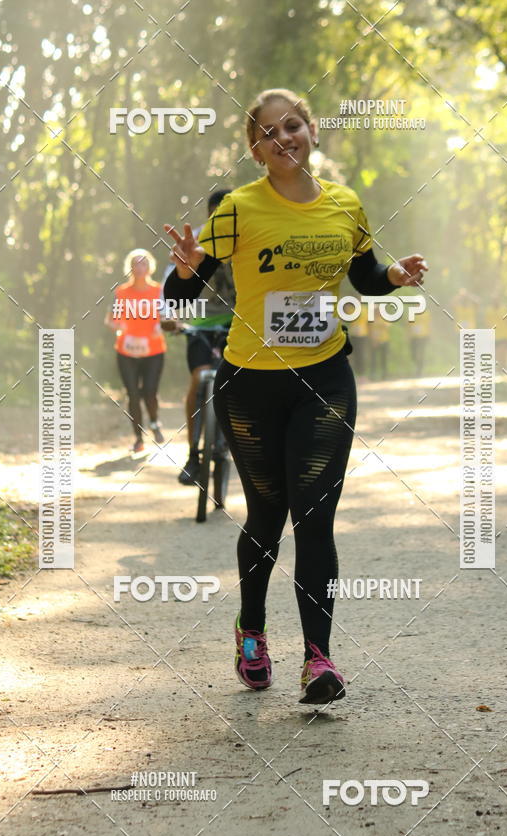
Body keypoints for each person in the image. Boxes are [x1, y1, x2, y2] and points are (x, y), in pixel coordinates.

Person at [163, 88, 427, 703]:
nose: (283, 138)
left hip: (326, 380)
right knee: (266, 515)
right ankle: (251, 631)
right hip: (250, 384)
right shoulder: (237, 209)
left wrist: (395, 276)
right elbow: (181, 297)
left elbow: (364, 277)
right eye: (267, 132)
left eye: (293, 125)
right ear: (255, 150)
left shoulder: (346, 204)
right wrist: (182, 269)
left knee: (315, 516)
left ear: (311, 130)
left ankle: (319, 659)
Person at [164, 191, 236, 485]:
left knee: (241, 385)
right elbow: (172, 281)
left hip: (239, 325)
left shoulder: (251, 240)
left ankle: (236, 444)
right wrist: (169, 316)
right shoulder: (195, 241)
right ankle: (194, 453)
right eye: (217, 214)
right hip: (202, 324)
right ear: (208, 216)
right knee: (199, 378)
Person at [105, 249, 165, 455]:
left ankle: (155, 422)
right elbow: (110, 320)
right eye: (136, 264)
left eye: (144, 264)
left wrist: (162, 325)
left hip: (153, 350)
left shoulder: (159, 290)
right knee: (132, 394)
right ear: (130, 268)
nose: (140, 268)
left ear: (150, 267)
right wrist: (118, 324)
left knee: (149, 392)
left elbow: (168, 316)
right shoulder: (121, 292)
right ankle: (139, 438)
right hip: (127, 351)